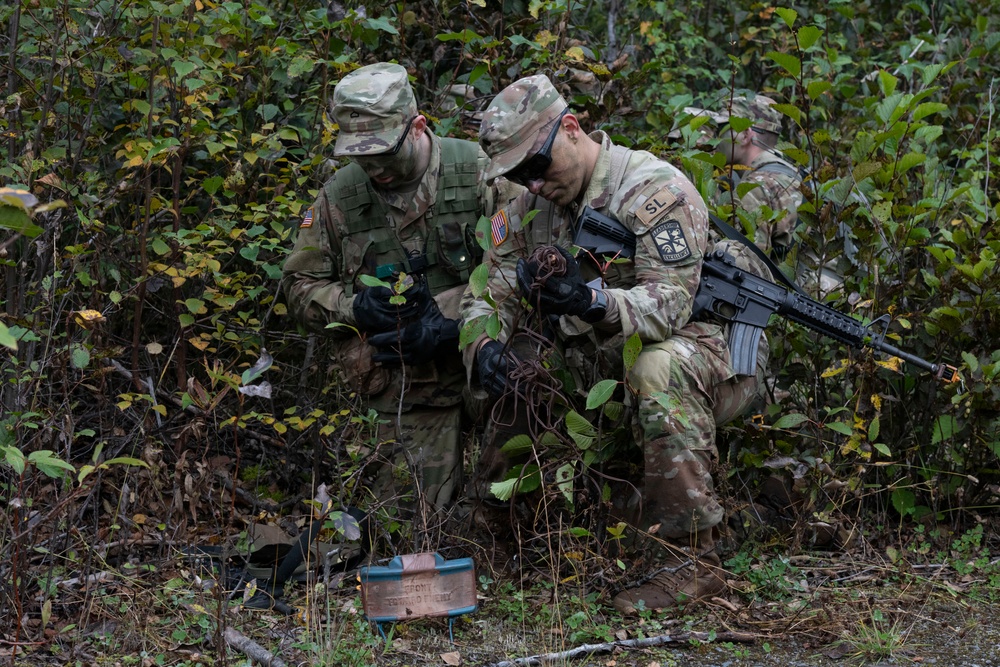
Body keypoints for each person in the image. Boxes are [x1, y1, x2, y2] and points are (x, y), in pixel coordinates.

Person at [461, 74, 768, 613]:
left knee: (656, 368)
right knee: (519, 367)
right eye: (518, 174)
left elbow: (670, 304)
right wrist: (484, 347)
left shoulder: (653, 191)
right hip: (597, 358)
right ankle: (500, 539)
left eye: (537, 166)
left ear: (572, 129)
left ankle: (693, 562)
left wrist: (593, 303)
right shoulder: (527, 200)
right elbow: (490, 291)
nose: (532, 184)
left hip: (705, 355)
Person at [282, 63, 518, 521]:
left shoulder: (479, 173)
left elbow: (524, 267)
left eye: (384, 154)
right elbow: (298, 286)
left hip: (485, 366)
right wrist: (355, 307)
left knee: (509, 508)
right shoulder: (341, 196)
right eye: (360, 156)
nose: (374, 168)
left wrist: (453, 327)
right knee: (403, 526)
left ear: (417, 127)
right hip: (408, 389)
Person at [683, 93, 804, 260]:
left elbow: (741, 263)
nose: (716, 139)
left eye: (722, 129)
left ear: (745, 135)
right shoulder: (792, 174)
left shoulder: (756, 189)